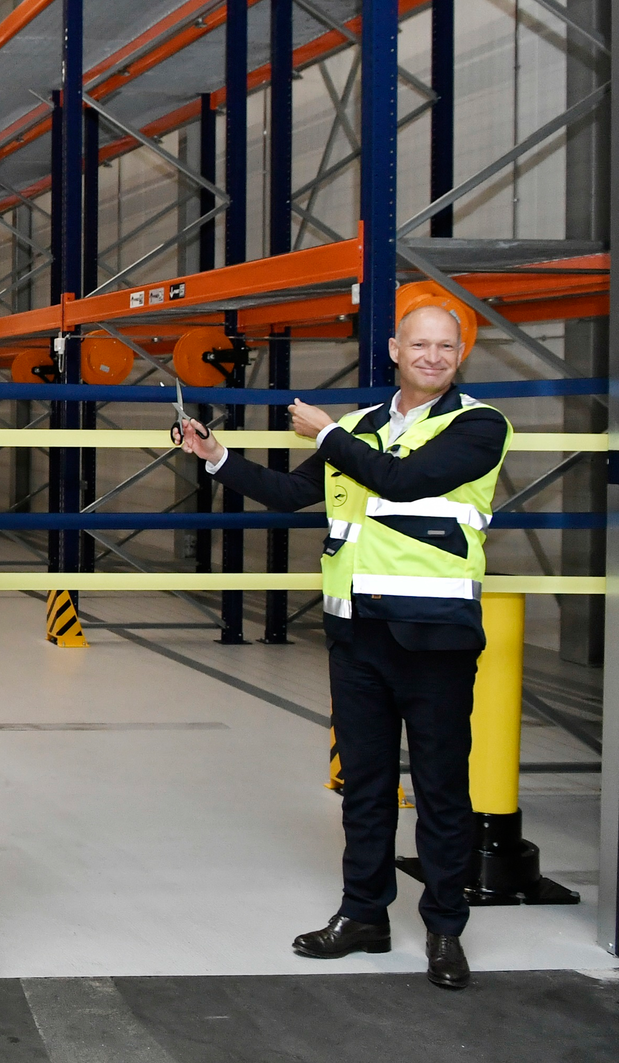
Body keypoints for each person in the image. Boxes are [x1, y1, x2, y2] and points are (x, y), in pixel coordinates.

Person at [175, 299, 509, 991]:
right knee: (364, 784)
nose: (433, 357)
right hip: (358, 635)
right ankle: (365, 915)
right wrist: (216, 457)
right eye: (421, 345)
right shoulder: (359, 428)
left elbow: (405, 481)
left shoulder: (478, 426)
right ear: (393, 348)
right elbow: (287, 493)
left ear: (460, 355)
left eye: (447, 347)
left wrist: (327, 437)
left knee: (443, 789)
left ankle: (445, 927)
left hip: (436, 636)